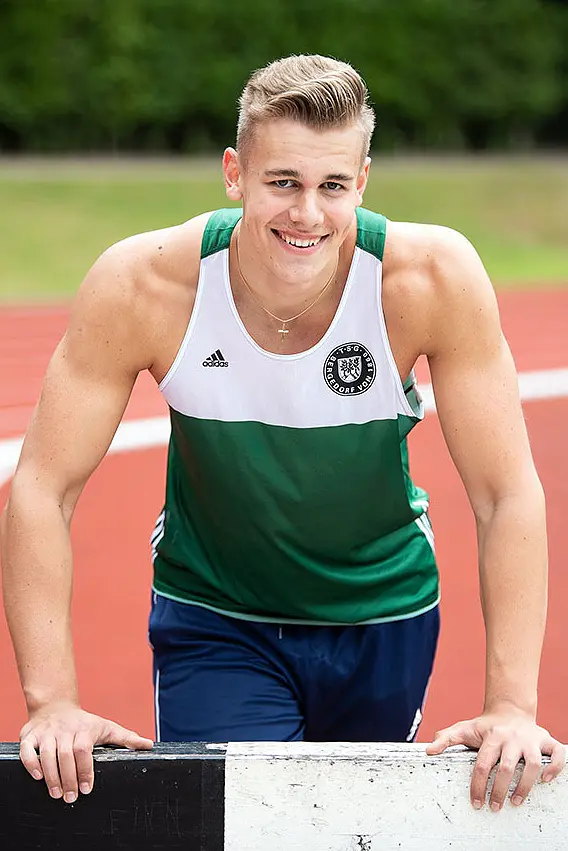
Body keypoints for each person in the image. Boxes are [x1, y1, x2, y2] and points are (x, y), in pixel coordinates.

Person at [1, 54, 564, 812]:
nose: (307, 213)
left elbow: (505, 493)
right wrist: (52, 700)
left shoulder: (429, 278)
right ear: (235, 172)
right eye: (283, 182)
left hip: (383, 613)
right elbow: (42, 485)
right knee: (237, 822)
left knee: (356, 828)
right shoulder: (146, 286)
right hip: (217, 617)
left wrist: (511, 705)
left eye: (332, 185)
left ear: (361, 182)